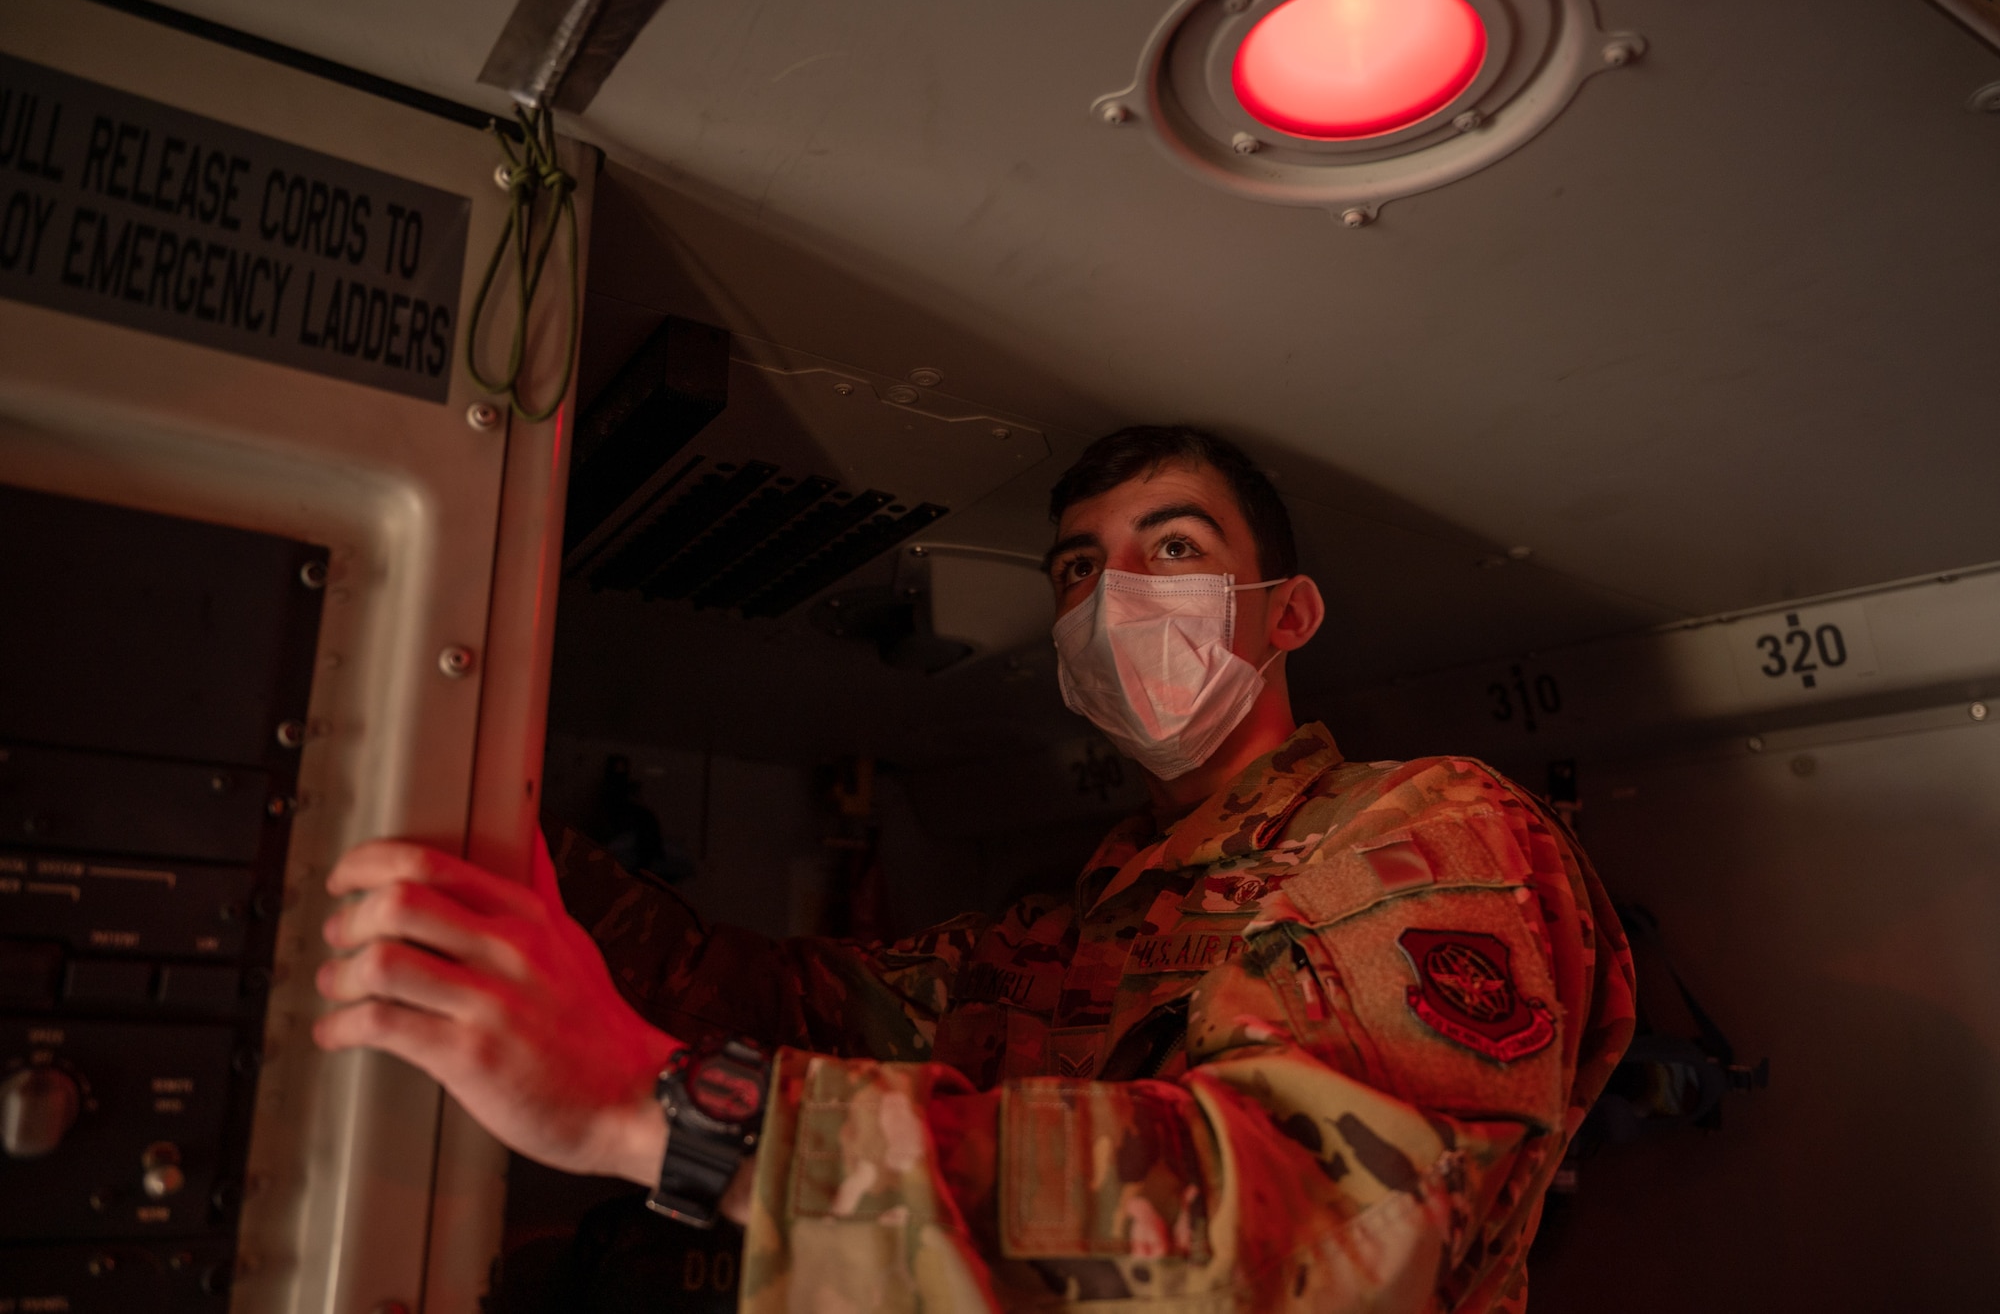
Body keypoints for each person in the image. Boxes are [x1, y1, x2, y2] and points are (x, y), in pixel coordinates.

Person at [314, 425, 1636, 1312]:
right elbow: (756, 996)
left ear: (1285, 614)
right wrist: (473, 806)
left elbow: (1326, 1228)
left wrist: (664, 1117)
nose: (1117, 598)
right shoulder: (1054, 934)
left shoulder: (1426, 829)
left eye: (1172, 550)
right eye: (1080, 569)